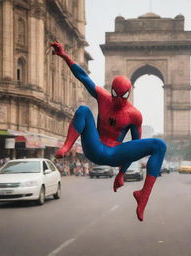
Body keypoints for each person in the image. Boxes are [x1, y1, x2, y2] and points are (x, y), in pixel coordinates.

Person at [50, 41, 167, 221]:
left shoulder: (134, 115)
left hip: (114, 154)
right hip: (94, 147)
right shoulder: (103, 98)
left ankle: (143, 196)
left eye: (124, 96)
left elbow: (133, 149)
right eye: (115, 94)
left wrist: (121, 174)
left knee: (159, 145)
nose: (119, 99)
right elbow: (82, 76)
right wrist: (64, 55)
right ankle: (66, 147)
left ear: (129, 93)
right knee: (83, 110)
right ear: (111, 91)